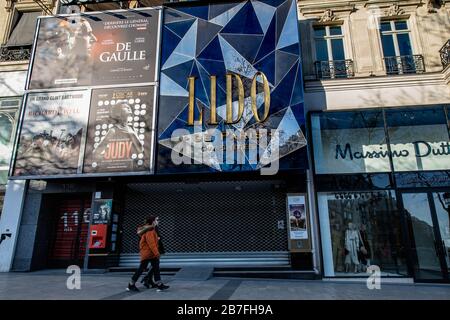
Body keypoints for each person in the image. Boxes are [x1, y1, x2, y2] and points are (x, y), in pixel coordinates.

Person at [127, 216, 169, 292]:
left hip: (150, 254)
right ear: (153, 221)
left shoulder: (151, 229)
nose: (158, 221)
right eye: (156, 220)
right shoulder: (150, 231)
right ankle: (131, 284)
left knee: (156, 268)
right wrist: (157, 253)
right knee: (141, 269)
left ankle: (159, 284)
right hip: (148, 253)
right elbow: (151, 244)